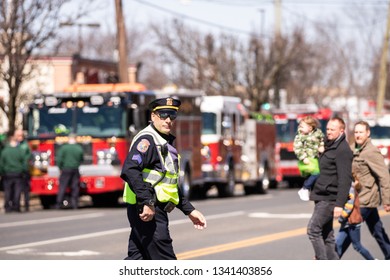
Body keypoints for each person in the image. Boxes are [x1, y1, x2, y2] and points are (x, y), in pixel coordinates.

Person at [120, 97, 207, 260]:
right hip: (149, 211)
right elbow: (130, 170)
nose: (168, 120)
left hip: (150, 209)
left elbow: (168, 184)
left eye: (172, 116)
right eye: (163, 115)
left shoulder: (162, 141)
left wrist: (189, 210)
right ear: (153, 116)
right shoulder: (148, 140)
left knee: (137, 260)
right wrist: (147, 202)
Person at [307, 116, 353, 260]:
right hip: (320, 196)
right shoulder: (326, 144)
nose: (329, 132)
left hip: (330, 198)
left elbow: (345, 180)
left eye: (332, 129)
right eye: (327, 129)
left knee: (313, 229)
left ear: (341, 131)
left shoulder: (343, 150)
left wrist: (339, 204)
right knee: (327, 235)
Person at [351, 120, 390, 260]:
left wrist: (387, 200)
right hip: (360, 196)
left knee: (348, 230)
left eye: (361, 132)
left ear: (368, 133)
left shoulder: (371, 151)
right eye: (356, 132)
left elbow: (384, 176)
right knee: (377, 231)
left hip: (365, 199)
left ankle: (332, 257)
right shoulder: (353, 149)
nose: (358, 135)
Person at [335, 183, 375, 260]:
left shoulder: (349, 188)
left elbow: (349, 206)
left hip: (352, 222)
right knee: (338, 243)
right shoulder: (345, 186)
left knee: (357, 246)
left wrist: (341, 217)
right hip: (346, 223)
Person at [293, 116, 325, 201]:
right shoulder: (299, 136)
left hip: (315, 158)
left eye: (302, 126)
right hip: (306, 160)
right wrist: (303, 158)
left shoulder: (318, 133)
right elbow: (297, 148)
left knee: (315, 175)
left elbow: (321, 139)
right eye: (300, 126)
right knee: (316, 173)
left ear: (310, 128)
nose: (300, 128)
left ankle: (308, 189)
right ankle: (305, 188)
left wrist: (321, 146)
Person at [0, 130, 27, 213]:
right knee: (17, 191)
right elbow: (24, 163)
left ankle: (7, 207)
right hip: (18, 173)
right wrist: (24, 171)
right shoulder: (20, 151)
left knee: (7, 191)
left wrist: (2, 172)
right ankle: (16, 206)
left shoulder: (4, 151)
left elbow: (1, 164)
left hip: (7, 174)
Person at [55, 133, 84, 209]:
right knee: (75, 187)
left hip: (65, 169)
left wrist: (60, 168)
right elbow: (81, 159)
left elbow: (59, 159)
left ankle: (59, 203)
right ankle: (75, 204)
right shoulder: (79, 148)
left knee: (63, 187)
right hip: (75, 169)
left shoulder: (64, 148)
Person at [13, 129, 31, 211]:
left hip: (23, 171)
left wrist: (23, 169)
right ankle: (16, 205)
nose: (19, 137)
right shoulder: (13, 145)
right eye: (18, 135)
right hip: (14, 171)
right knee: (15, 189)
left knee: (25, 189)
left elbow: (26, 158)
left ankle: (26, 205)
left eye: (21, 135)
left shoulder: (25, 146)